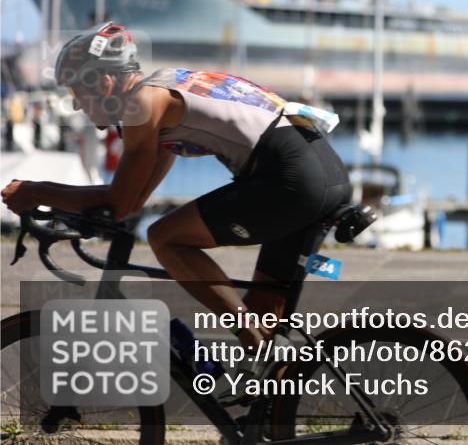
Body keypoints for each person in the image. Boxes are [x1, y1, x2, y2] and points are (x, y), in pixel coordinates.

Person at [1, 23, 352, 367]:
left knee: (166, 238)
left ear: (104, 83)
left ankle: (236, 348)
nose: (76, 106)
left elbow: (119, 200)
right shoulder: (164, 91)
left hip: (291, 177)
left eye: (76, 93)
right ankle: (270, 410)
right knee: (261, 311)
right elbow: (132, 202)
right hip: (321, 170)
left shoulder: (143, 103)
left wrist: (37, 191)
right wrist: (79, 208)